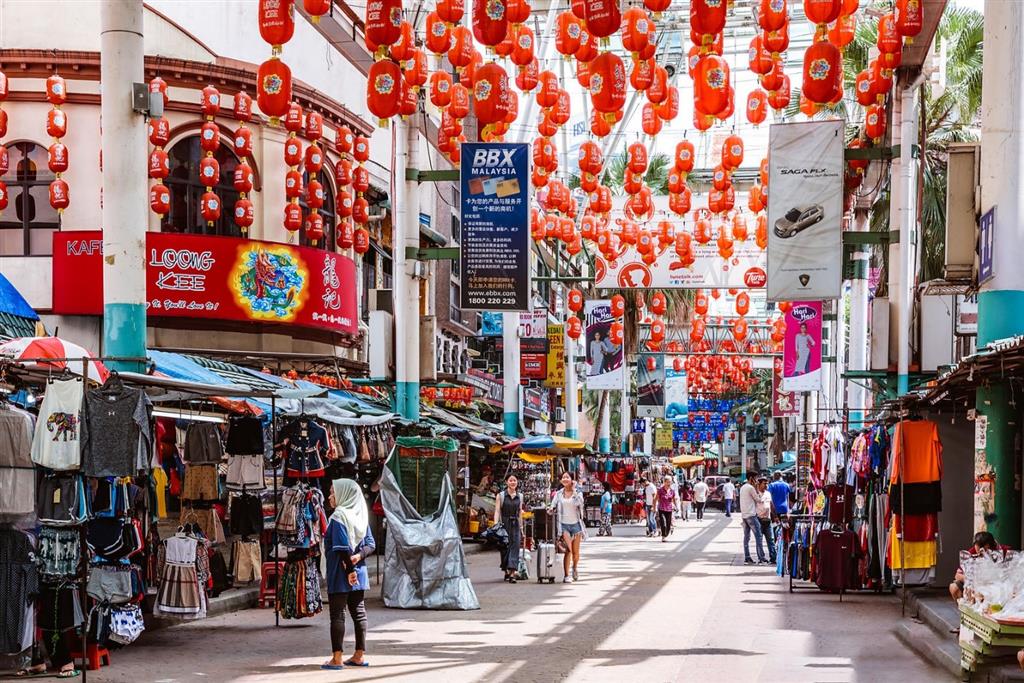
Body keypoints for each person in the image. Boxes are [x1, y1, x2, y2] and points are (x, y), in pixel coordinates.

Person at [323, 478, 376, 671]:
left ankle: (337, 658)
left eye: (333, 493)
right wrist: (358, 558)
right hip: (358, 572)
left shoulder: (339, 517)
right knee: (359, 613)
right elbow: (371, 544)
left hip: (341, 572)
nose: (330, 497)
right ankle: (359, 655)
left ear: (345, 494)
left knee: (337, 614)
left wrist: (349, 568)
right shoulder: (361, 516)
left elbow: (341, 547)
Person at [949, 531, 1009, 601]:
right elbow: (957, 575)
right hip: (976, 583)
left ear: (991, 546)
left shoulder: (1005, 551)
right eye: (978, 552)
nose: (980, 554)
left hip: (999, 583)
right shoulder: (972, 552)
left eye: (984, 551)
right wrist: (973, 580)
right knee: (954, 588)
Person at [550, 472, 587, 582]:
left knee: (576, 553)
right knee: (568, 550)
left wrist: (575, 490)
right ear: (561, 481)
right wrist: (551, 509)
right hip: (564, 525)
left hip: (576, 525)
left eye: (567, 477)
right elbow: (553, 504)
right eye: (563, 478)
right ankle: (566, 576)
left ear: (572, 480)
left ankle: (574, 567)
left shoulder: (578, 493)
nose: (565, 479)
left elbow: (579, 503)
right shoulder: (559, 494)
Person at [494, 474, 524, 583]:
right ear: (506, 482)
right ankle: (506, 569)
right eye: (510, 480)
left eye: (514, 480)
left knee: (515, 547)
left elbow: (520, 512)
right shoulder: (501, 496)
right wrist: (496, 525)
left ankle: (512, 573)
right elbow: (497, 511)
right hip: (504, 524)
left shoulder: (520, 496)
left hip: (515, 523)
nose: (512, 482)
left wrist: (521, 528)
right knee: (505, 547)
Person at [739, 474, 768, 564]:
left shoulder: (743, 487)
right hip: (751, 515)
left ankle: (747, 557)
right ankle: (761, 558)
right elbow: (759, 500)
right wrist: (756, 488)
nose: (756, 481)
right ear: (751, 478)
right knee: (758, 536)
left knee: (746, 537)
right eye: (755, 478)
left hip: (744, 515)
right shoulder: (751, 488)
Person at [756, 478, 777, 563]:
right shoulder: (756, 494)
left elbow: (771, 505)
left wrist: (775, 516)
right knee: (759, 540)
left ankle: (773, 558)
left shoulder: (768, 493)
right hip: (758, 520)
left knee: (771, 540)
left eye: (767, 483)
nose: (766, 485)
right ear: (759, 484)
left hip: (768, 520)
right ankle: (761, 558)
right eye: (764, 483)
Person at [656, 476, 678, 542]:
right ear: (664, 482)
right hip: (661, 509)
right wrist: (654, 507)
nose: (669, 483)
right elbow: (656, 499)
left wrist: (676, 506)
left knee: (668, 524)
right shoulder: (660, 490)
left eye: (670, 482)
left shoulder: (672, 491)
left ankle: (666, 535)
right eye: (668, 482)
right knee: (663, 523)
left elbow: (674, 500)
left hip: (669, 509)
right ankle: (663, 536)